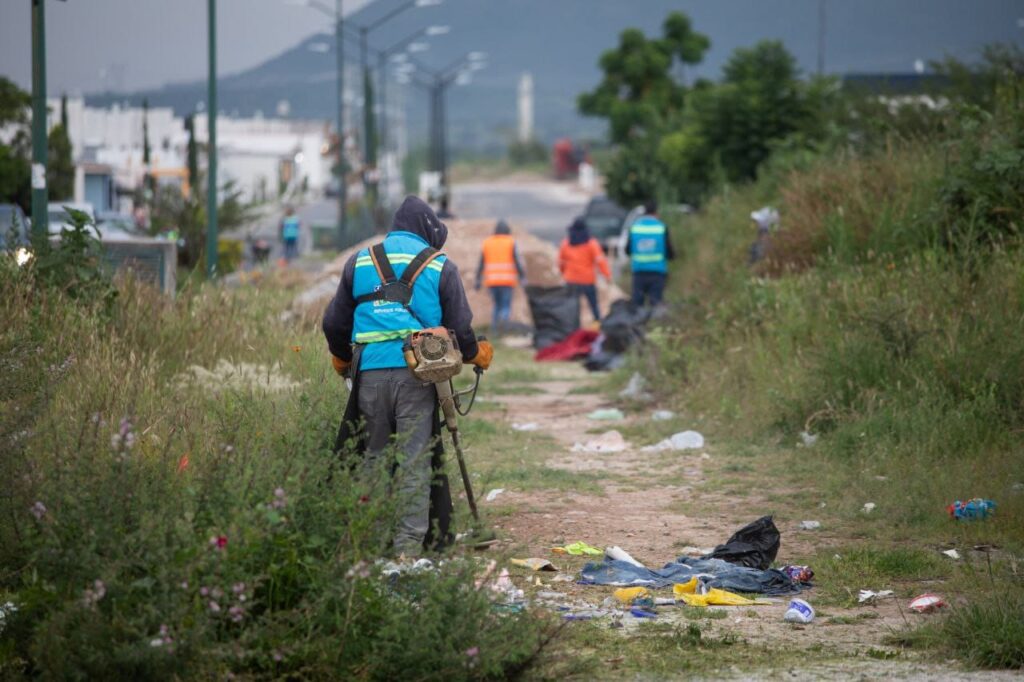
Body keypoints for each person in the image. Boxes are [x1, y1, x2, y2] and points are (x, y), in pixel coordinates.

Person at [322, 195, 493, 557]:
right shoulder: (440, 265)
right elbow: (460, 328)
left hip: (367, 372)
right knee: (415, 460)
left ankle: (369, 543)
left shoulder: (360, 261)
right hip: (417, 373)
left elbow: (334, 321)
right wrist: (477, 353)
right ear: (427, 232)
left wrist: (340, 358)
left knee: (374, 458)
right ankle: (406, 550)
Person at [475, 219, 526, 333]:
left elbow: (481, 263)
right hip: (507, 281)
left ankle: (495, 331)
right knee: (505, 306)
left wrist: (478, 279)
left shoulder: (487, 242)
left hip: (492, 281)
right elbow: (517, 261)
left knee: (497, 306)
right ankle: (504, 328)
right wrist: (522, 276)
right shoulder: (510, 242)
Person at [558, 217, 611, 322]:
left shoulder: (566, 243)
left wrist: (564, 273)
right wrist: (607, 275)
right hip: (587, 280)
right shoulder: (592, 244)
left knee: (572, 307)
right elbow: (600, 261)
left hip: (571, 280)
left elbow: (561, 262)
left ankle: (572, 327)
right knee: (593, 305)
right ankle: (598, 323)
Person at [626, 200, 674, 308]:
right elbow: (670, 251)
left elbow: (627, 250)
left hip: (639, 272)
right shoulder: (661, 227)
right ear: (656, 212)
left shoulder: (635, 228)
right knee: (656, 304)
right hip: (657, 272)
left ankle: (637, 325)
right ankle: (654, 325)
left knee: (637, 306)